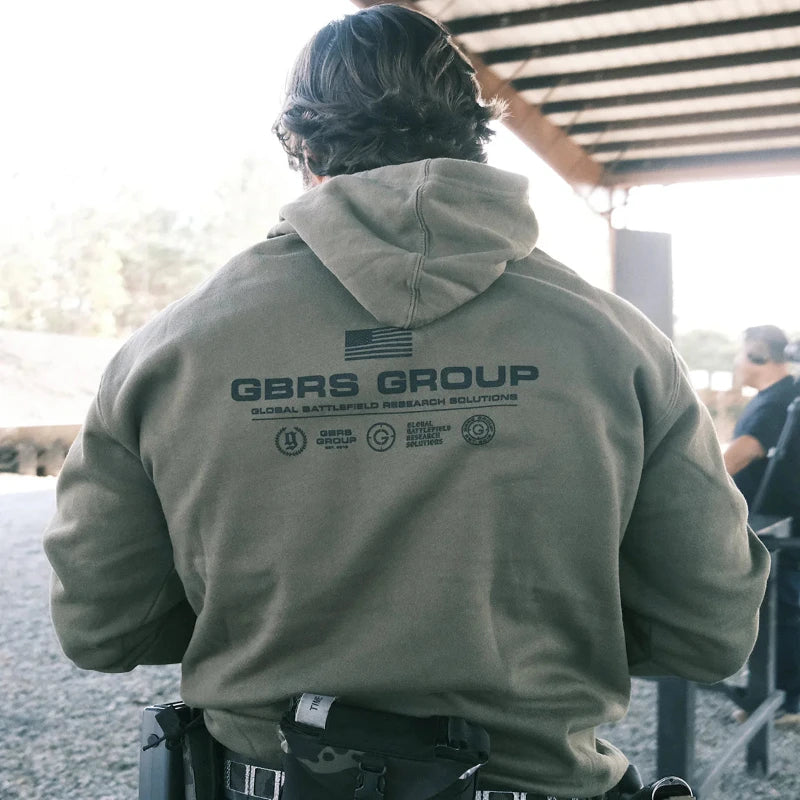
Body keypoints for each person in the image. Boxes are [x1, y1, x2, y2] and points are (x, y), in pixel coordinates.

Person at [43, 5, 770, 799]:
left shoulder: (167, 352)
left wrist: (264, 623)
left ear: (304, 147)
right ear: (474, 136)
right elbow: (709, 631)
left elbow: (101, 626)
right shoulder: (620, 345)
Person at [725, 325, 800, 724]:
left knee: (782, 609)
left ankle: (786, 699)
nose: (737, 363)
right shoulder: (780, 396)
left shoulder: (777, 400)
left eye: (741, 354)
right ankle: (775, 692)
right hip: (773, 521)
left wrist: (685, 481)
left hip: (777, 526)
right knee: (780, 606)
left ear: (758, 355)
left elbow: (738, 456)